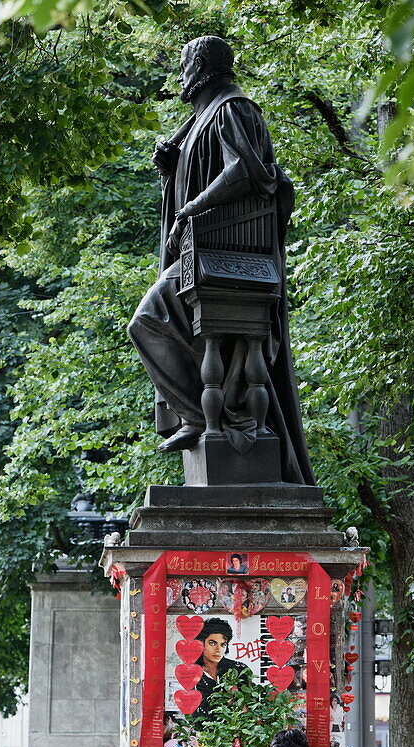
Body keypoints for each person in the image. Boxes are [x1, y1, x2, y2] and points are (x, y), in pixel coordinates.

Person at [126, 35, 315, 485]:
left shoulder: (233, 110)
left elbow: (248, 173)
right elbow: (199, 180)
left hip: (230, 253)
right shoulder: (198, 122)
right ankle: (201, 417)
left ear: (202, 67)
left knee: (149, 319)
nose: (180, 76)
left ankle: (207, 417)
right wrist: (171, 169)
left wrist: (190, 210)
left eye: (184, 65)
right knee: (153, 323)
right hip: (206, 252)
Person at [194, 617, 250, 714]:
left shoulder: (239, 669)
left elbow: (250, 706)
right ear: (201, 643)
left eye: (223, 644)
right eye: (212, 643)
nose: (218, 649)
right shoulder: (190, 673)